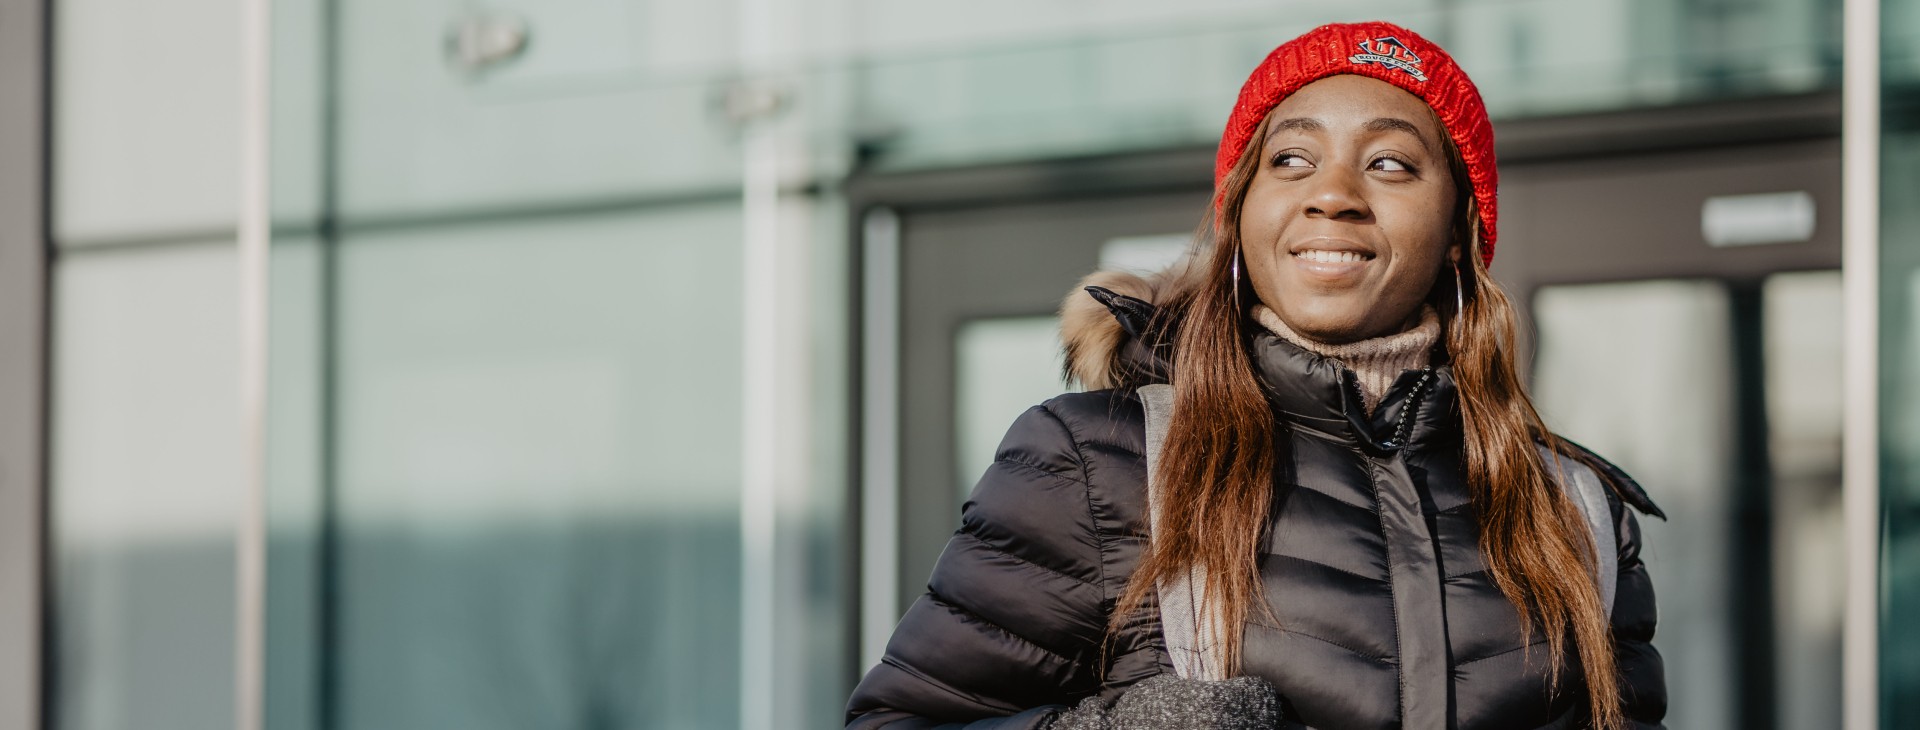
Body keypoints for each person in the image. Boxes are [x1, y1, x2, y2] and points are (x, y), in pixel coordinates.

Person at [846, 21, 1668, 730]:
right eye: (1291, 158)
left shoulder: (1574, 509)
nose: (1334, 195)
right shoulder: (1100, 461)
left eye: (1390, 164)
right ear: (1241, 215)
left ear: (1459, 229)